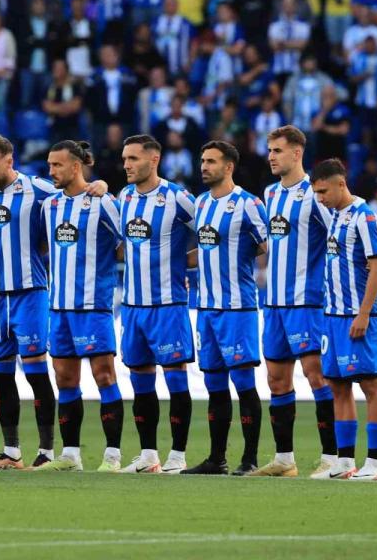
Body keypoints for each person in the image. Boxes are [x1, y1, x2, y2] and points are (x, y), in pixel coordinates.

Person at [0, 135, 108, 470]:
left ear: (10, 161)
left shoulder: (38, 189)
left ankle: (46, 451)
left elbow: (77, 194)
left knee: (36, 374)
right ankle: (11, 452)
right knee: (1, 377)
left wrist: (101, 185)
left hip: (30, 294)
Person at [247, 125, 338, 479]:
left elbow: (339, 235)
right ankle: (284, 459)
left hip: (308, 302)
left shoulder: (315, 194)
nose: (271, 156)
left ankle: (332, 458)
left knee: (317, 376)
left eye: (278, 151)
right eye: (269, 150)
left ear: (297, 153)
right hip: (274, 304)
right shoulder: (270, 194)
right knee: (276, 380)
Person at [34, 140, 124, 472]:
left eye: (57, 165)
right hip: (59, 308)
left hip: (93, 305)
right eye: (49, 165)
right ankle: (70, 454)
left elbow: (128, 242)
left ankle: (112, 455)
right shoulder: (50, 207)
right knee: (65, 379)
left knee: (104, 375)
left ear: (76, 166)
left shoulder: (103, 202)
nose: (51, 171)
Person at [181, 141, 268, 476]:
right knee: (214, 384)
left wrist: (241, 258)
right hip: (206, 309)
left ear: (229, 166)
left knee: (243, 382)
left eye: (211, 161)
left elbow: (265, 247)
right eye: (202, 160)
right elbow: (203, 251)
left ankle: (250, 459)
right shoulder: (201, 204)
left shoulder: (248, 204)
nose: (204, 166)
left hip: (237, 308)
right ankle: (217, 459)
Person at [116, 134, 197, 474]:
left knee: (176, 377)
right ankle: (149, 454)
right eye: (124, 159)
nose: (127, 165)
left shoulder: (178, 198)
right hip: (133, 306)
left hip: (168, 304)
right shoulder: (124, 197)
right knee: (140, 379)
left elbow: (211, 239)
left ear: (154, 160)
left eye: (133, 158)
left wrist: (182, 265)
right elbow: (125, 247)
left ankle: (178, 455)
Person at [310, 158, 377, 481]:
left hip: (357, 316)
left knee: (369, 384)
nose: (320, 198)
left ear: (341, 184)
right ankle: (344, 462)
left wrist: (364, 312)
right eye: (316, 193)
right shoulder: (335, 216)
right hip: (332, 317)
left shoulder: (364, 216)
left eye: (324, 191)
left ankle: (374, 463)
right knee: (338, 387)